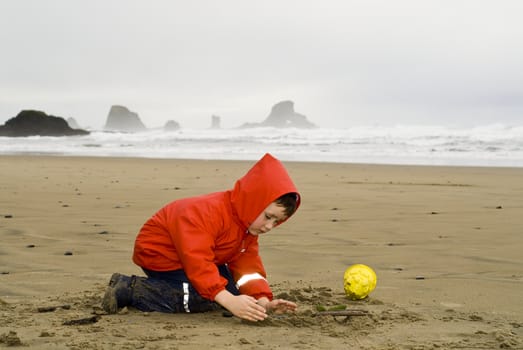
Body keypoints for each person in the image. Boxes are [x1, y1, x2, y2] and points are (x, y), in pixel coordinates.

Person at [102, 153, 301, 322]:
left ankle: (220, 295)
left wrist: (263, 302)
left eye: (276, 222)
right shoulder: (208, 213)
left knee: (235, 292)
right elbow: (197, 261)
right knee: (205, 297)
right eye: (268, 217)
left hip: (203, 255)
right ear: (253, 202)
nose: (269, 226)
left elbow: (248, 269)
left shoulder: (246, 227)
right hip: (161, 254)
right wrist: (226, 299)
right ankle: (129, 289)